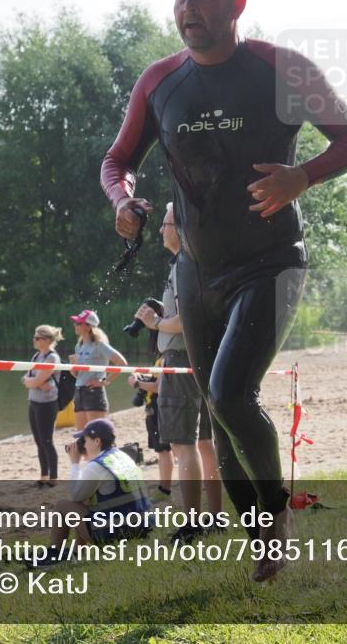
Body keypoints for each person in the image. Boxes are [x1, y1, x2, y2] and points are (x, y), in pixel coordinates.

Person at [101, 0, 347, 582]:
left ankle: (275, 516)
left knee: (229, 392)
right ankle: (261, 537)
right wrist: (124, 201)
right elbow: (118, 161)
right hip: (197, 270)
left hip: (272, 262)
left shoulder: (281, 68)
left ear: (236, 4)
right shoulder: (160, 81)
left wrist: (302, 176)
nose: (187, 8)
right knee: (216, 407)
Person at [134, 202, 222, 542]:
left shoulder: (184, 265)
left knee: (183, 445)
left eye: (166, 224)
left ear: (182, 227)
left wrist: (153, 322)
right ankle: (213, 518)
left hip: (181, 360)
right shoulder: (196, 263)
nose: (160, 230)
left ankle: (192, 524)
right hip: (201, 360)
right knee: (204, 444)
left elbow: (186, 320)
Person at [35, 418, 153, 562]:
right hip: (144, 526)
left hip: (119, 532)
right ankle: (78, 552)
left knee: (62, 506)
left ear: (97, 441)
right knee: (87, 504)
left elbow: (75, 496)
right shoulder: (123, 456)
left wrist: (74, 463)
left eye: (85, 440)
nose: (83, 445)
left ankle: (55, 553)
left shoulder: (97, 467)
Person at [69, 310, 126, 431]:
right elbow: (76, 375)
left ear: (88, 326)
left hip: (93, 392)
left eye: (79, 323)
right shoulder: (79, 346)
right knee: (81, 438)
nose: (75, 325)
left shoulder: (99, 345)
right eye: (75, 322)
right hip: (79, 390)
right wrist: (73, 365)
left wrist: (104, 381)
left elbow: (122, 363)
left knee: (97, 436)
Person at [23, 325, 63, 487]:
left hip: (47, 404)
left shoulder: (52, 358)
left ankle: (53, 477)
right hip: (33, 403)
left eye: (37, 338)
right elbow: (27, 379)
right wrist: (36, 383)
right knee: (38, 441)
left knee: (47, 441)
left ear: (46, 341)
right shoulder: (36, 356)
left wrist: (35, 382)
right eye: (34, 337)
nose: (34, 340)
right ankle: (43, 475)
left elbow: (36, 380)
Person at [129, 355, 175, 498]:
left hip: (160, 408)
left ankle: (165, 489)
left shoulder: (166, 358)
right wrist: (141, 376)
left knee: (164, 449)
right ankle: (164, 486)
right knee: (163, 451)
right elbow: (155, 379)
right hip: (155, 408)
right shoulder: (161, 358)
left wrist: (137, 383)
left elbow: (158, 387)